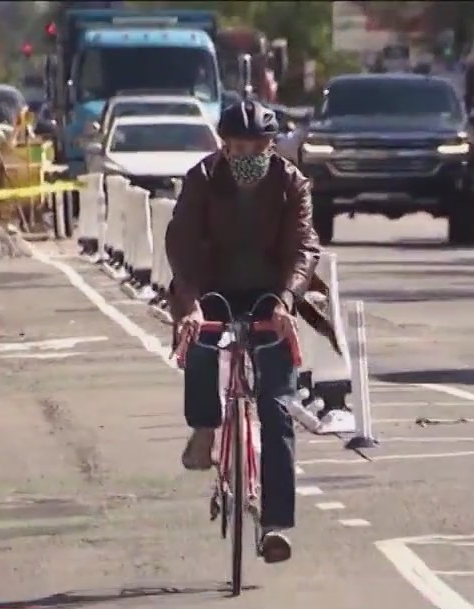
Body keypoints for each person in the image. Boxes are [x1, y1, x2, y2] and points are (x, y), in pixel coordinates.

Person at [165, 99, 339, 564]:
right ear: (223, 146)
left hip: (271, 295)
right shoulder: (202, 179)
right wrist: (191, 303)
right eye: (238, 147)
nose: (247, 156)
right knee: (200, 344)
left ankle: (275, 525)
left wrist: (286, 302)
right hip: (211, 289)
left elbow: (303, 247)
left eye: (257, 147)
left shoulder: (291, 183)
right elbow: (181, 242)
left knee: (277, 406)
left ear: (271, 146)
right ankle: (205, 428)